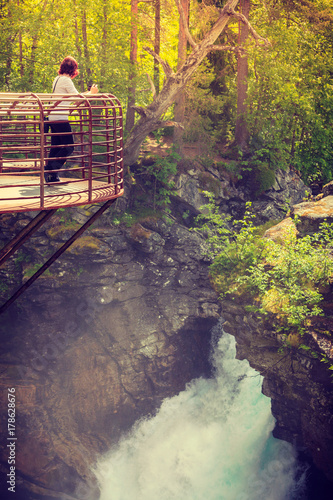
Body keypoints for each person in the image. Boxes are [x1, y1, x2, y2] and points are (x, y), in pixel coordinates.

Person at [45, 56, 98, 183]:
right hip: (60, 118)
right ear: (74, 70)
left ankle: (52, 176)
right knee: (69, 147)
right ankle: (51, 168)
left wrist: (88, 93)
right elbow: (78, 98)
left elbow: (75, 95)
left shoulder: (57, 79)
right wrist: (92, 93)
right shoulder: (66, 81)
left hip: (53, 117)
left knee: (56, 146)